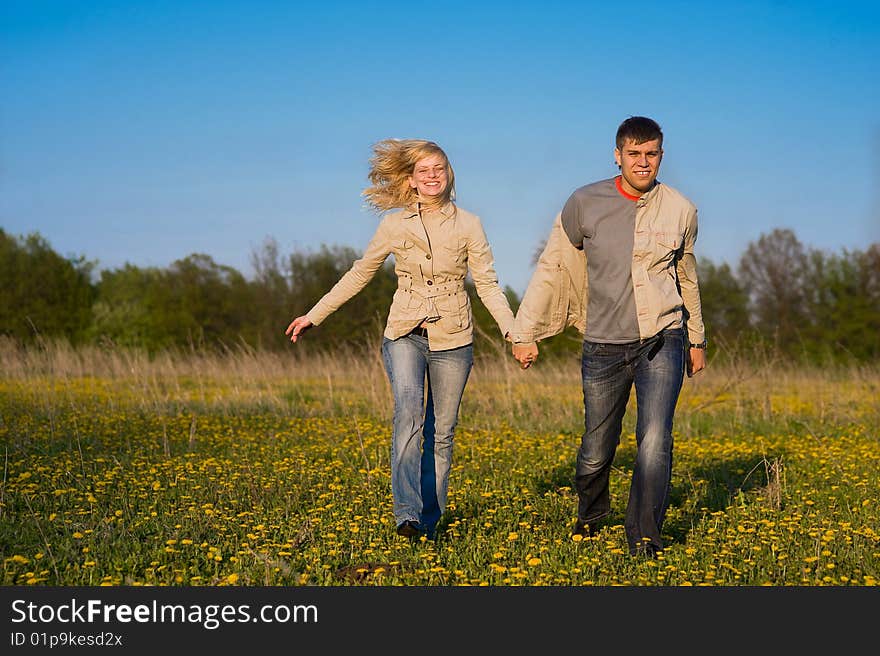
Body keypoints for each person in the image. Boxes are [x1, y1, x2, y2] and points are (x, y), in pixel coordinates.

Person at [286, 138, 515, 540]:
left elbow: (489, 286)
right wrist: (314, 315)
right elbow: (360, 272)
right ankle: (407, 515)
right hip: (404, 333)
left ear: (449, 175)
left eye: (438, 169)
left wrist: (516, 333)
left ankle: (429, 522)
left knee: (441, 433)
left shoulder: (469, 224)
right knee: (409, 417)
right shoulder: (393, 225)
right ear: (411, 179)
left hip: (454, 338)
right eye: (423, 170)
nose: (432, 176)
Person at [511, 116, 707, 557]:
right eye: (634, 154)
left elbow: (687, 277)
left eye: (651, 154)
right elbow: (552, 266)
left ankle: (644, 538)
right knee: (597, 448)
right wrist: (525, 331)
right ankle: (592, 511)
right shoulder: (584, 202)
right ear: (617, 155)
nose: (643, 162)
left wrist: (697, 339)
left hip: (663, 337)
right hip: (602, 342)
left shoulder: (681, 209)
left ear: (661, 156)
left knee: (655, 440)